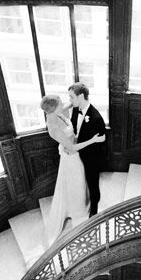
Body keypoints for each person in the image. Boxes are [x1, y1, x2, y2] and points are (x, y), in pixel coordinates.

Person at [40, 94, 89, 243]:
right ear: (54, 109)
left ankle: (81, 202)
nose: (63, 105)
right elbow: (72, 148)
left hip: (73, 151)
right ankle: (78, 210)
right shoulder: (53, 128)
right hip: (71, 156)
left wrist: (77, 99)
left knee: (79, 180)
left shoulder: (57, 113)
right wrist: (91, 141)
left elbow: (67, 106)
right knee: (77, 182)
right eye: (60, 104)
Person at [68, 82, 106, 216]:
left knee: (92, 182)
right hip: (76, 152)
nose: (70, 101)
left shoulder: (96, 118)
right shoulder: (74, 109)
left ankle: (94, 205)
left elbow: (101, 142)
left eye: (72, 97)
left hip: (91, 157)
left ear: (81, 96)